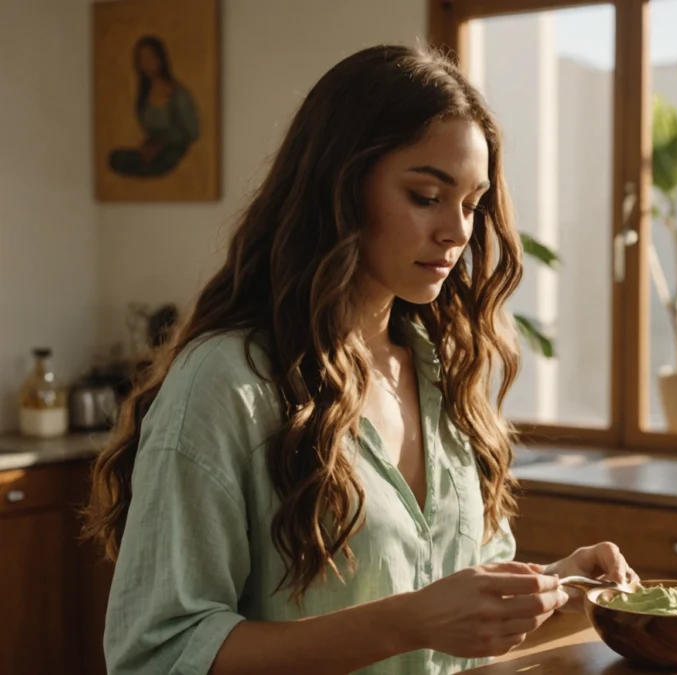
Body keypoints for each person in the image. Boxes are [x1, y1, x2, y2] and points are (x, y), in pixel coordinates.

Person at [82, 43, 637, 675]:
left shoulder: (442, 370)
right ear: (339, 188)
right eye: (427, 195)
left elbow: (441, 588)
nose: (458, 231)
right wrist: (410, 622)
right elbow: (158, 652)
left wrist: (555, 584)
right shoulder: (227, 383)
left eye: (472, 203)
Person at [108, 35, 200, 177]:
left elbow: (193, 132)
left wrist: (160, 145)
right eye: (142, 60)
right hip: (150, 150)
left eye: (150, 58)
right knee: (117, 158)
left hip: (172, 150)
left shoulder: (178, 95)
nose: (147, 64)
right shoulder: (144, 95)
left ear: (161, 58)